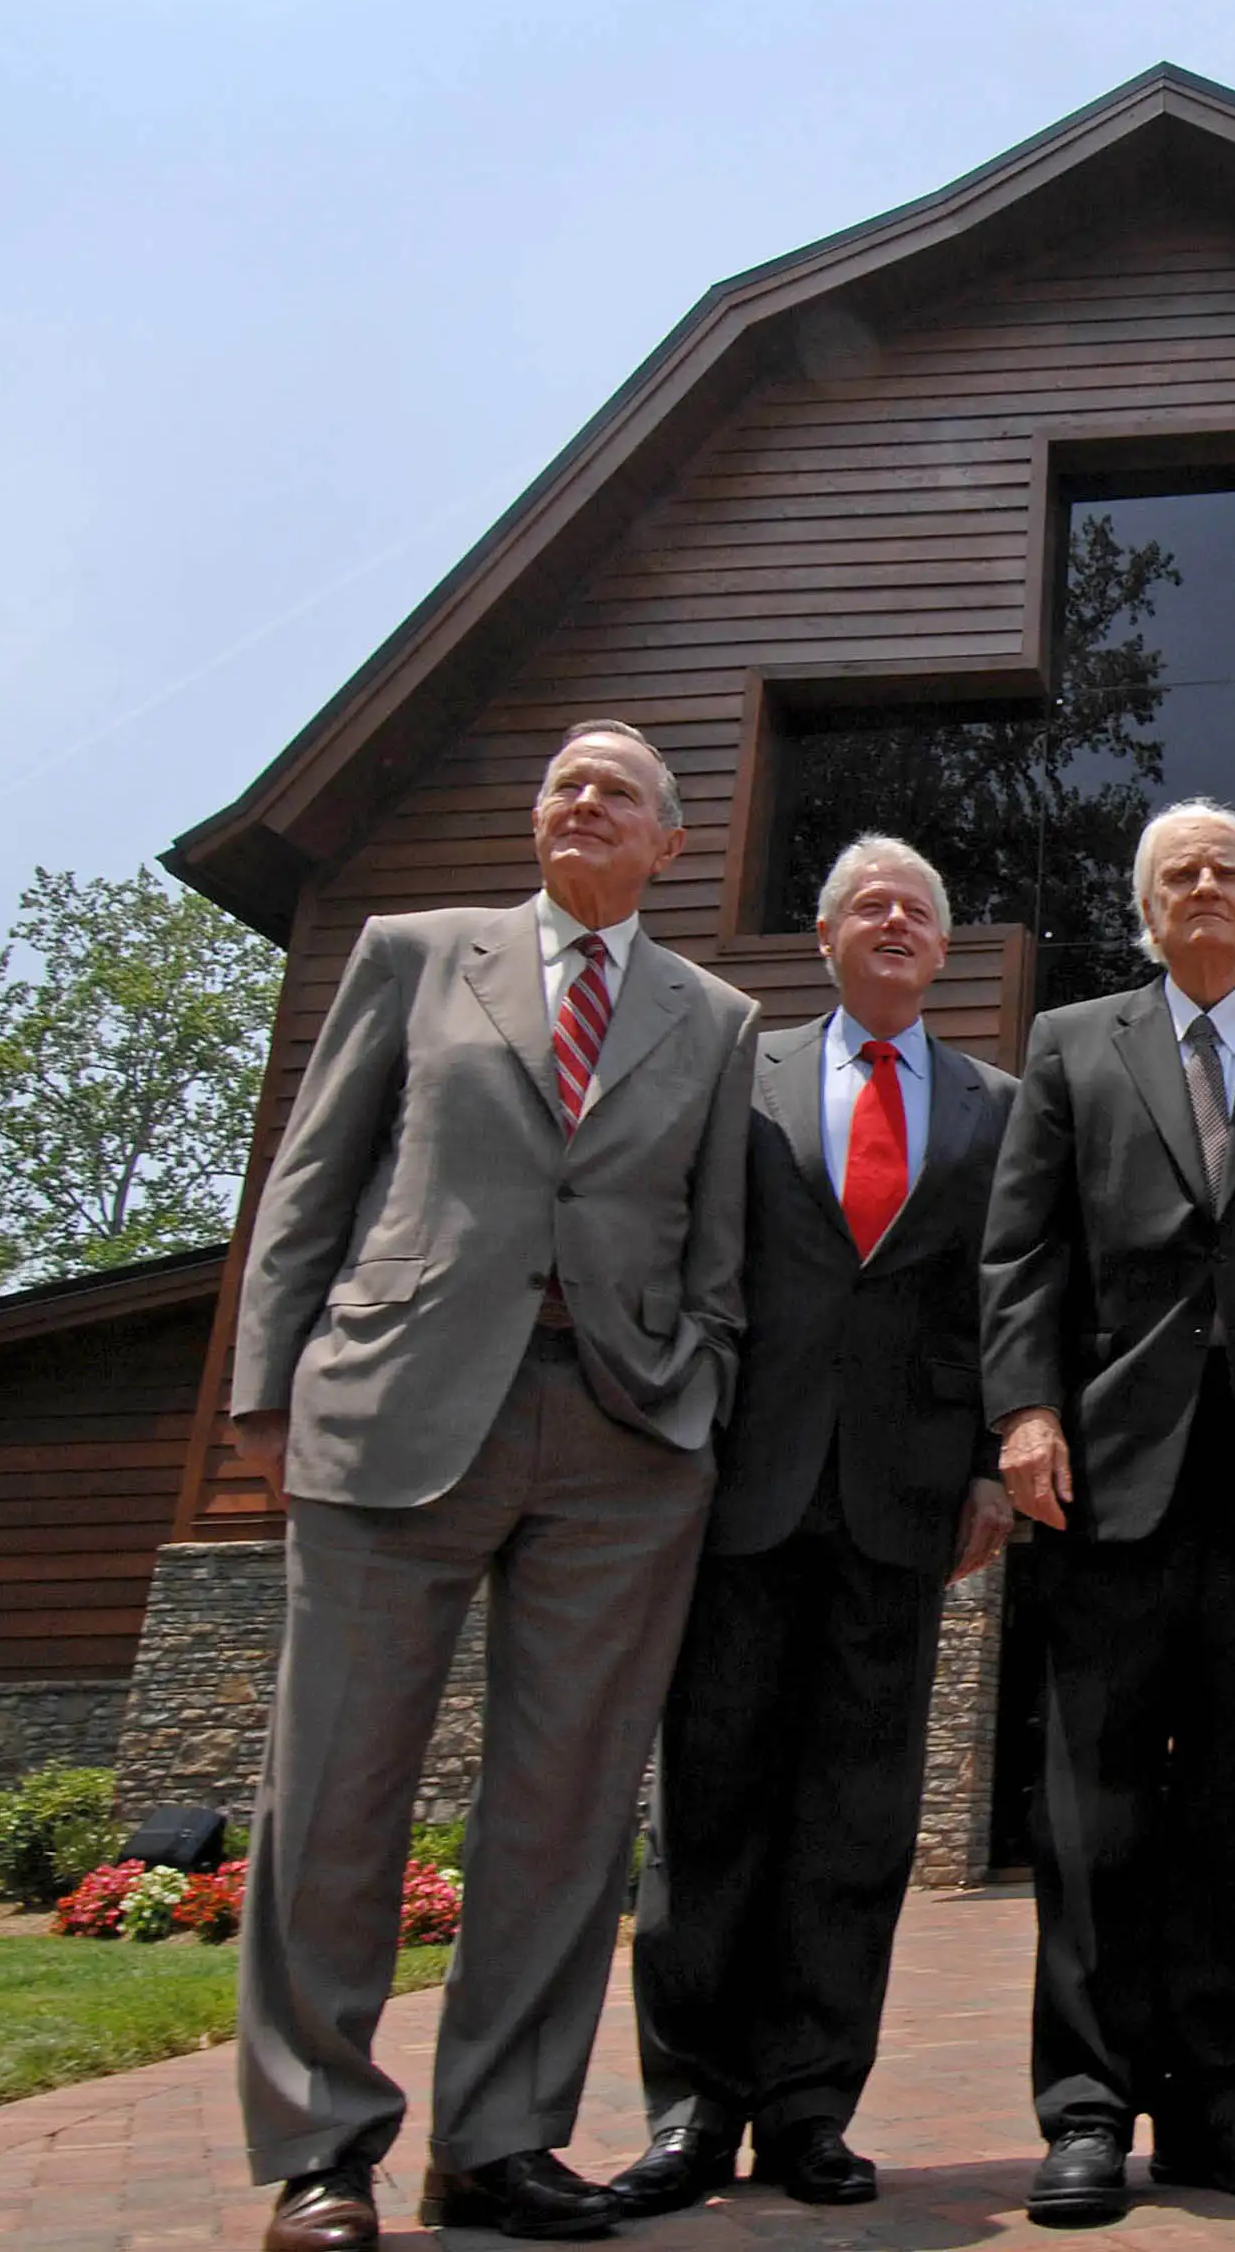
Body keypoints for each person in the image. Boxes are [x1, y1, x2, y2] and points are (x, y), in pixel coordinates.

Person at [229, 721, 760, 2252]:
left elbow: (716, 1254)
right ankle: (323, 2152)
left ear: (672, 843)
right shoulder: (416, 954)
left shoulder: (712, 1018)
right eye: (563, 784)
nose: (582, 801)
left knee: (566, 1809)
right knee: (335, 1793)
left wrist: (690, 1408)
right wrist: (272, 1389)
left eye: (620, 792)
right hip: (395, 1413)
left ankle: (502, 2140)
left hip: (619, 1443)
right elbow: (313, 1177)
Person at [981, 798, 1235, 2227]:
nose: (1206, 885)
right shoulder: (1069, 1045)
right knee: (1090, 1800)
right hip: (1106, 1475)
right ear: (1147, 912)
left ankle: (1224, 2093)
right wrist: (1025, 1413)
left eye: (1230, 867)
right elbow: (1025, 1248)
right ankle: (1090, 2108)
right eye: (1180, 875)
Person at [612, 835, 1017, 2219]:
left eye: (920, 909)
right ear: (828, 935)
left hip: (900, 1505)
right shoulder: (745, 1075)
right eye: (871, 905)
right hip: (742, 1490)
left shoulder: (995, 1107)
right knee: (711, 1804)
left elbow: (997, 1303)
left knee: (859, 1819)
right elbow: (674, 1247)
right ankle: (689, 2105)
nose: (896, 922)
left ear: (944, 948)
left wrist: (985, 1466)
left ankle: (807, 2107)